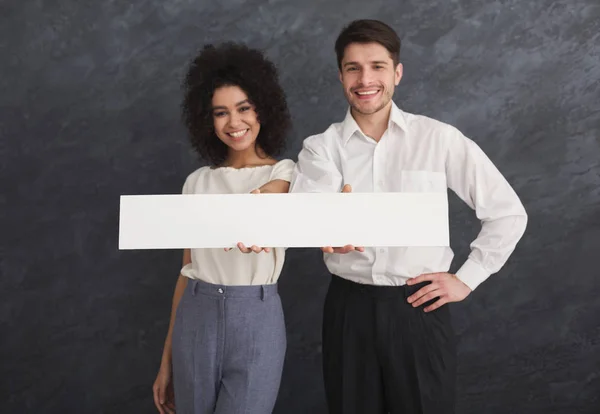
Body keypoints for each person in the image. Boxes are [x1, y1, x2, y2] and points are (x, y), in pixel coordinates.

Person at [290, 19, 528, 414]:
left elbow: (508, 213)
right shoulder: (321, 148)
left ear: (397, 73)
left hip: (419, 306)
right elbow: (310, 208)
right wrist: (322, 227)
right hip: (349, 309)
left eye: (377, 66)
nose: (365, 78)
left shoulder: (439, 138)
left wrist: (467, 279)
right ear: (340, 76)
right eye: (353, 68)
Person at [152, 42, 294, 414]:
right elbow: (186, 273)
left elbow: (270, 198)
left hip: (257, 317)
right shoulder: (197, 182)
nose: (234, 123)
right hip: (195, 314)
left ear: (263, 106)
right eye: (220, 113)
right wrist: (166, 360)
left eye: (244, 108)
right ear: (206, 120)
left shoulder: (286, 174)